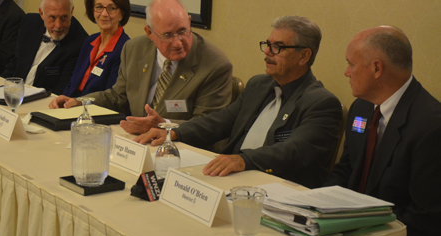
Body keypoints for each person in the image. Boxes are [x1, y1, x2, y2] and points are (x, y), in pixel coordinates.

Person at [136, 16, 342, 189]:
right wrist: (173, 132)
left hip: (273, 187)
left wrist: (244, 160)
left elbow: (293, 151)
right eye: (267, 44)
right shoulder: (258, 85)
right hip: (229, 179)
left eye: (278, 47)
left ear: (304, 56)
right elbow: (221, 121)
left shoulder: (321, 103)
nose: (267, 52)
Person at [326, 26, 441, 236]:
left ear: (377, 68)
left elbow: (425, 218)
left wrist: (354, 234)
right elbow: (346, 169)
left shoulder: (431, 126)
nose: (346, 72)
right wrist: (313, 206)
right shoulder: (362, 107)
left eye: (351, 64)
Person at [50, 0, 233, 134]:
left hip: (182, 150)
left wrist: (164, 126)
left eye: (183, 31)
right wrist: (80, 102)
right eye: (167, 35)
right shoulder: (134, 49)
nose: (178, 42)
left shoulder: (215, 66)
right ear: (149, 33)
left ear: (190, 22)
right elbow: (118, 97)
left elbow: (208, 126)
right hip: (135, 142)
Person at [2, 0, 88, 95]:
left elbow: (61, 92)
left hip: (41, 102)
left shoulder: (79, 43)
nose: (58, 25)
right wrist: (2, 88)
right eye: (52, 17)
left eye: (64, 17)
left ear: (71, 12)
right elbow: (15, 64)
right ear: (41, 13)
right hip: (14, 94)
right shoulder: (29, 23)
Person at [61, 0, 131, 98]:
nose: (104, 14)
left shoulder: (125, 48)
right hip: (73, 106)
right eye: (99, 7)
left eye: (111, 8)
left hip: (96, 111)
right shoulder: (89, 41)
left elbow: (112, 98)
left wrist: (76, 103)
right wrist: (63, 99)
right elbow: (73, 83)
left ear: (122, 14)